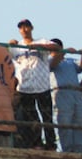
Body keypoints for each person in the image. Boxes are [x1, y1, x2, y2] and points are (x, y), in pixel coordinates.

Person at [9, 18, 58, 150]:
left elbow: (56, 47)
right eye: (21, 28)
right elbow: (2, 54)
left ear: (31, 28)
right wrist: (10, 44)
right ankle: (36, 143)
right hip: (25, 87)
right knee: (31, 118)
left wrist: (40, 47)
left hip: (42, 86)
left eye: (26, 27)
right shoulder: (16, 47)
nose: (24, 30)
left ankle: (50, 144)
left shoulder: (41, 41)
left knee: (47, 117)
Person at [49, 42, 82, 153]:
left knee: (80, 121)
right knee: (65, 122)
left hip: (75, 92)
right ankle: (68, 150)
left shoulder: (70, 61)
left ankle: (80, 150)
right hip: (61, 92)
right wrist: (62, 52)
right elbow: (53, 64)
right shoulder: (50, 60)